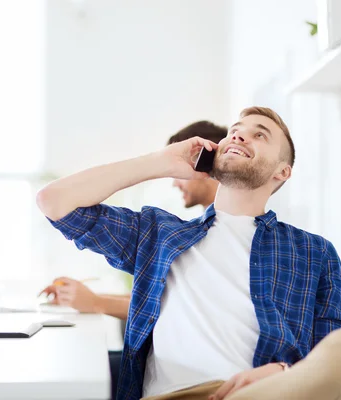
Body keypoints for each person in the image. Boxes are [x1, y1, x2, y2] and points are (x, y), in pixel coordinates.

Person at [36, 107, 341, 400]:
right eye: (235, 132)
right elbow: (54, 202)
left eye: (260, 135)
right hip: (174, 396)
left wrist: (284, 371)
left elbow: (326, 354)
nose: (240, 137)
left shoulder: (314, 252)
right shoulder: (160, 235)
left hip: (262, 394)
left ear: (282, 172)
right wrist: (161, 162)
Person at [38, 120, 228, 400]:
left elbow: (181, 306)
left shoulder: (230, 245)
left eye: (182, 169)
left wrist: (96, 302)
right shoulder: (179, 234)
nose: (175, 182)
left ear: (206, 166)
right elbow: (54, 201)